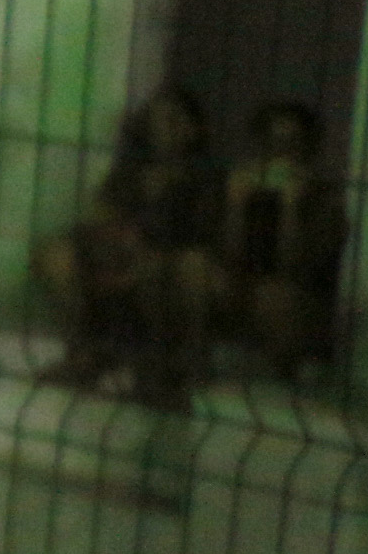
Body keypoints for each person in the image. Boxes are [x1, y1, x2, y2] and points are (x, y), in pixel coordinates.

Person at [36, 86, 217, 407]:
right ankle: (84, 352)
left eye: (173, 121)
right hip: (122, 255)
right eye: (156, 121)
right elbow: (102, 219)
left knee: (177, 269)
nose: (163, 129)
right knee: (55, 255)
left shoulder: (208, 179)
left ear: (192, 128)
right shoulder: (129, 174)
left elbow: (205, 237)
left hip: (173, 261)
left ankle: (169, 367)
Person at [221, 99, 345, 383]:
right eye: (270, 143)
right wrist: (235, 207)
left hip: (302, 296)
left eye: (290, 143)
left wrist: (291, 209)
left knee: (275, 296)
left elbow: (298, 269)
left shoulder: (324, 198)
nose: (279, 153)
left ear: (306, 149)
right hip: (243, 284)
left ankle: (283, 381)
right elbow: (227, 256)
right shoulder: (244, 186)